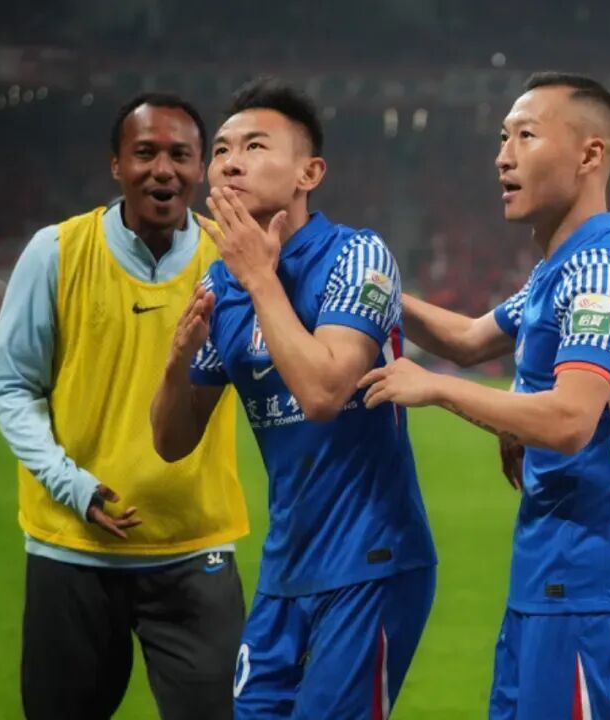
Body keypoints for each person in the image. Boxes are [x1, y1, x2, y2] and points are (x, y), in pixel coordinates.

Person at [367, 72, 610, 719]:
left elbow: (569, 419)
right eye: (503, 138)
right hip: (550, 575)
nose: (502, 156)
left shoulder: (603, 274)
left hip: (592, 584)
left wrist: (434, 388)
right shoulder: (556, 271)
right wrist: (372, 290)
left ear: (590, 155)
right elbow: (468, 338)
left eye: (525, 136)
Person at [150, 76, 436, 719]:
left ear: (310, 172)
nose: (231, 163)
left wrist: (259, 277)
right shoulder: (222, 284)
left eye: (255, 146)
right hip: (286, 571)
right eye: (222, 150)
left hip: (371, 564)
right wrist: (175, 362)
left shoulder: (357, 257)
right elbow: (171, 441)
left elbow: (325, 392)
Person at [0, 93, 248, 720]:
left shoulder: (234, 261)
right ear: (116, 164)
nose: (163, 170)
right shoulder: (55, 252)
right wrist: (71, 485)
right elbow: (13, 387)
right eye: (145, 153)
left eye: (180, 155)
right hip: (72, 548)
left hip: (196, 548)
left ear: (201, 168)